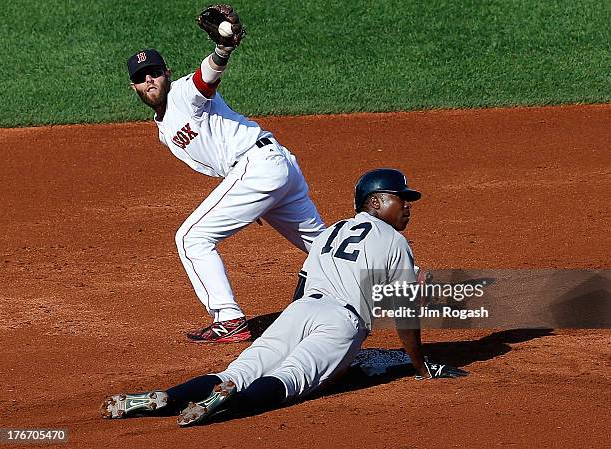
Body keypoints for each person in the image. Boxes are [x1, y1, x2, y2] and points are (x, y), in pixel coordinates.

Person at [100, 168, 468, 427]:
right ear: (375, 202)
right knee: (292, 379)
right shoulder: (394, 241)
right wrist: (421, 369)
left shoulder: (329, 233)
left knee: (237, 371)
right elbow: (404, 311)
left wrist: (288, 325)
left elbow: (302, 281)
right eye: (401, 198)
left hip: (299, 311)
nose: (408, 205)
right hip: (340, 322)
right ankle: (228, 404)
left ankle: (167, 396)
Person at [125, 10, 325, 343]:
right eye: (142, 77)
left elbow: (207, 79)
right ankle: (409, 288)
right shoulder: (163, 129)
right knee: (323, 246)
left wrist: (222, 49)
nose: (150, 81)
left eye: (155, 73)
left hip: (258, 167)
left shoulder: (184, 93)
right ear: (133, 85)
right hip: (271, 169)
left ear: (167, 74)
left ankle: (228, 320)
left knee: (191, 239)